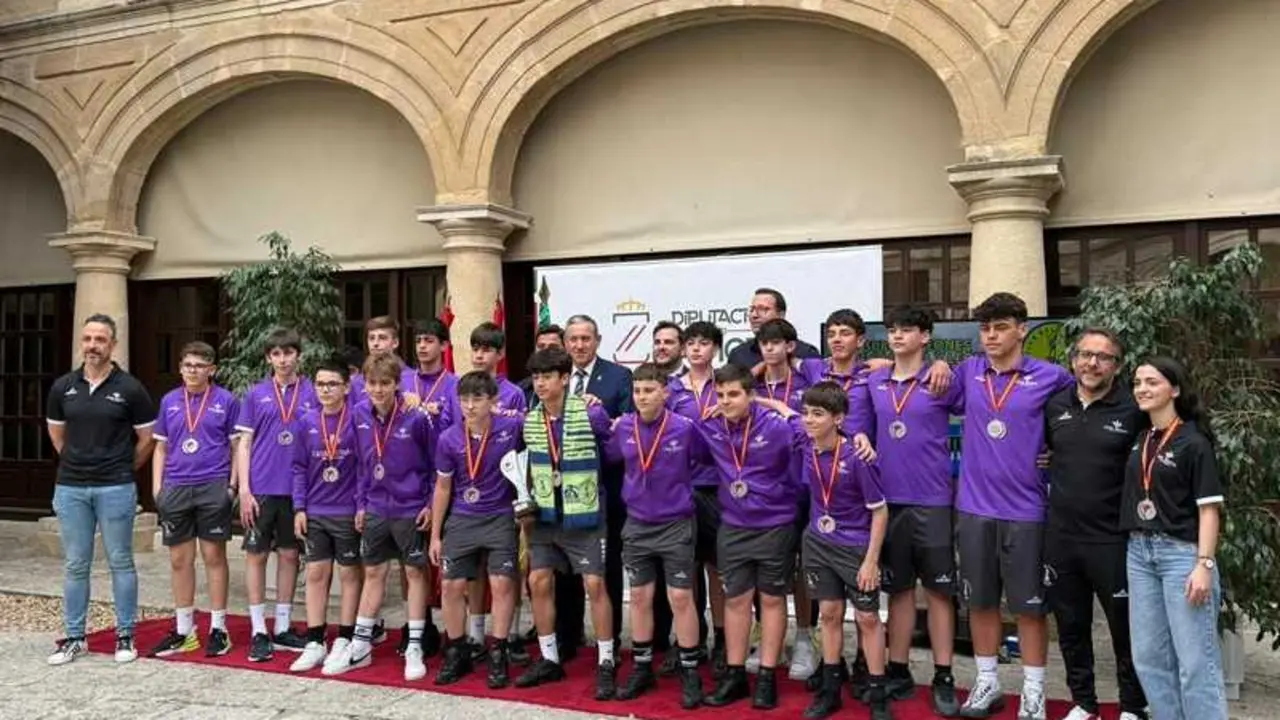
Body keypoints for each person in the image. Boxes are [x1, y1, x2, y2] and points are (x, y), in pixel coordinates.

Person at [953, 292, 1075, 720]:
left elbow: (1079, 423)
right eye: (985, 328)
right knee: (981, 601)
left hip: (1027, 510)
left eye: (1000, 327)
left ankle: (1034, 690)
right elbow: (919, 380)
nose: (991, 335)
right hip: (973, 507)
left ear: (1021, 329)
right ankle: (986, 682)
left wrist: (1059, 453)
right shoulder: (968, 371)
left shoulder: (1053, 377)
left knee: (1028, 606)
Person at [855, 305, 962, 714]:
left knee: (937, 591)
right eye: (893, 330)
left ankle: (944, 674)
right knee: (897, 591)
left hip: (933, 499)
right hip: (888, 501)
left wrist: (942, 364)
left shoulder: (941, 378)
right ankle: (898, 670)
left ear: (926, 336)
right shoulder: (875, 379)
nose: (898, 336)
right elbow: (860, 425)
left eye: (908, 330)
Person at [769, 382, 891, 720]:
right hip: (818, 544)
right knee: (829, 615)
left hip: (855, 547)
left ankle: (878, 692)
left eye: (818, 414)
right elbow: (785, 412)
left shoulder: (858, 456)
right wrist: (756, 397)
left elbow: (880, 511)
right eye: (808, 413)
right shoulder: (805, 442)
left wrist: (871, 560)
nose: (809, 420)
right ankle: (831, 688)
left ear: (838, 419)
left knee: (867, 618)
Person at [1044, 328, 1148, 720]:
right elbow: (1046, 452)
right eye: (1085, 355)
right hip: (1062, 538)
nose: (1092, 363)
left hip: (1113, 540)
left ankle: (1134, 706)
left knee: (1126, 629)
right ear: (1073, 361)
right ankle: (1084, 701)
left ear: (1117, 366)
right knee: (1071, 626)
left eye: (1103, 357)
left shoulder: (1133, 409)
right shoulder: (1055, 406)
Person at [45, 314, 156, 666]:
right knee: (76, 564)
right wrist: (81, 462)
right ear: (82, 342)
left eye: (100, 339)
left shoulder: (131, 389)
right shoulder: (63, 387)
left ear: (113, 344)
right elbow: (57, 435)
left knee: (120, 562)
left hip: (116, 487)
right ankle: (75, 638)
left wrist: (120, 467)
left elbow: (146, 440)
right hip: (71, 488)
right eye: (88, 338)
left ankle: (125, 636)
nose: (93, 345)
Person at [1122, 357, 1226, 718]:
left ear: (1175, 389)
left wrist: (1204, 564)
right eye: (1137, 382)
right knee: (1148, 658)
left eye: (1152, 382)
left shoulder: (1194, 442)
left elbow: (1209, 509)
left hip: (1182, 555)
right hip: (1139, 552)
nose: (1142, 389)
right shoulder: (1142, 438)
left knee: (1196, 661)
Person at [697, 362, 803, 709]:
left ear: (750, 395)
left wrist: (776, 406)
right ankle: (736, 674)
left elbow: (810, 431)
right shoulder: (710, 427)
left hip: (775, 524)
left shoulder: (777, 427)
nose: (726, 401)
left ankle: (768, 676)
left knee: (772, 600)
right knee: (736, 600)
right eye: (721, 395)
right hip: (734, 526)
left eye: (734, 394)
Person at [514, 346, 617, 700]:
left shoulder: (591, 412)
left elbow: (615, 453)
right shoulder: (529, 418)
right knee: (539, 580)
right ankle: (548, 657)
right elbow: (520, 464)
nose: (540, 384)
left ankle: (606, 660)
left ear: (564, 378)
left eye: (547, 377)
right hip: (544, 514)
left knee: (594, 584)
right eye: (537, 377)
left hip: (584, 513)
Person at [326, 354, 436, 681]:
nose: (378, 390)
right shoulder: (359, 414)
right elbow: (361, 465)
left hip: (409, 507)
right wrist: (360, 504)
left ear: (396, 384)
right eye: (372, 383)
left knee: (415, 572)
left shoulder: (415, 417)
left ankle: (415, 643)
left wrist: (429, 504)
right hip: (375, 506)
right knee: (373, 571)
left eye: (385, 383)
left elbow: (433, 466)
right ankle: (360, 645)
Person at [607, 363, 708, 708]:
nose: (642, 397)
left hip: (676, 523)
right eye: (637, 391)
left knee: (680, 597)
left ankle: (690, 669)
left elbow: (704, 460)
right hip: (636, 523)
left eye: (649, 390)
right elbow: (608, 456)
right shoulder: (623, 427)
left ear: (666, 393)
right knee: (638, 596)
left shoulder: (684, 428)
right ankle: (642, 666)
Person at [429, 371, 524, 688]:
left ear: (493, 401)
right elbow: (443, 488)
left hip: (499, 518)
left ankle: (498, 651)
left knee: (502, 585)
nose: (470, 406)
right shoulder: (449, 439)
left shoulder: (511, 429)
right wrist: (435, 534)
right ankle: (457, 652)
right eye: (465, 399)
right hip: (462, 518)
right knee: (451, 586)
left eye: (478, 399)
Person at [146, 341, 238, 660]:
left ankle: (218, 627)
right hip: (176, 487)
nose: (193, 371)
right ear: (181, 368)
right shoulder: (170, 400)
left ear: (212, 369)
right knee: (179, 560)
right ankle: (185, 630)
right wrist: (158, 489)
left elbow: (236, 445)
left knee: (214, 556)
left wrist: (233, 486)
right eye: (187, 365)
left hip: (213, 485)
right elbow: (160, 447)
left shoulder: (226, 400)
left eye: (200, 365)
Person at [234, 327, 317, 662]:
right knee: (256, 556)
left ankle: (282, 626)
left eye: (289, 353)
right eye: (277, 354)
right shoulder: (255, 394)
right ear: (269, 358)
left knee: (289, 556)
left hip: (297, 490)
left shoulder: (313, 391)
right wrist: (243, 489)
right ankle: (257, 629)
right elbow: (244, 444)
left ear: (298, 354)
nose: (283, 360)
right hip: (261, 489)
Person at [558, 314, 632, 663]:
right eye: (573, 339)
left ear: (598, 340)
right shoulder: (556, 377)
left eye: (586, 338)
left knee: (607, 567)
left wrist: (602, 415)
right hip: (563, 490)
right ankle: (567, 635)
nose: (579, 345)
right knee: (563, 565)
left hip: (606, 487)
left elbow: (627, 428)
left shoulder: (618, 377)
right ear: (565, 342)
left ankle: (610, 640)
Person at [288, 356, 364, 674]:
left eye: (332, 384)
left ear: (346, 387)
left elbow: (364, 466)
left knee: (349, 574)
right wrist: (299, 507)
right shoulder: (306, 422)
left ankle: (345, 638)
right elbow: (298, 468)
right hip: (316, 510)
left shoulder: (358, 420)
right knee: (316, 574)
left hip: (347, 511)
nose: (326, 390)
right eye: (320, 384)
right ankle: (316, 640)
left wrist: (361, 505)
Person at [752, 317, 817, 681]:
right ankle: (766, 638)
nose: (770, 349)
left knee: (804, 569)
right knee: (769, 570)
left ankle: (806, 638)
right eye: (764, 344)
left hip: (805, 487)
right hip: (765, 491)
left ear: (790, 346)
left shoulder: (808, 382)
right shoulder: (752, 383)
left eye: (777, 343)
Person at [667, 320, 726, 676]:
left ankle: (722, 639)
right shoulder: (671, 389)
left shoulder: (727, 385)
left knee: (717, 569)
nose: (696, 349)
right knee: (684, 570)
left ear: (715, 348)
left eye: (704, 343)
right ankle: (689, 639)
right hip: (682, 486)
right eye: (691, 343)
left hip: (718, 488)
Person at [726, 288, 821, 369]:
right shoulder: (738, 355)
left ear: (781, 315)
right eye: (752, 309)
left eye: (763, 309)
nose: (754, 315)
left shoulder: (806, 353)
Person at [468, 322, 528, 413]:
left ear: (500, 353)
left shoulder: (514, 393)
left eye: (486, 350)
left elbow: (520, 424)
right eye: (475, 349)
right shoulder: (462, 388)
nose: (479, 355)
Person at [519, 324, 565, 406]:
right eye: (541, 346)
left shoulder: (574, 385)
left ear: (565, 349)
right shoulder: (522, 388)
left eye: (553, 347)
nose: (546, 351)